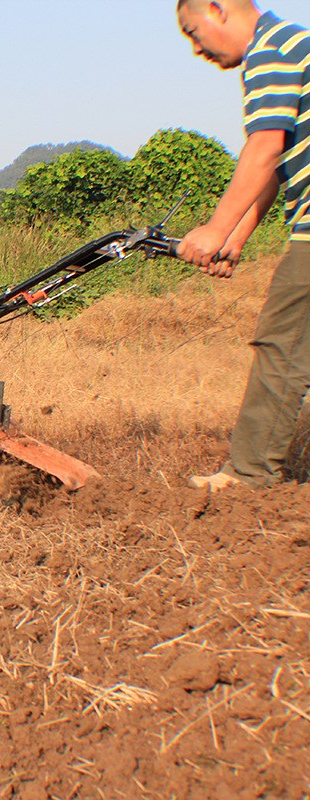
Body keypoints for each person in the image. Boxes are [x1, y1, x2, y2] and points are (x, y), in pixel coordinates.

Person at [175, 0, 310, 490]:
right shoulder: (294, 42)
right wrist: (237, 235)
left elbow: (265, 146)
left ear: (217, 8)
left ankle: (250, 474)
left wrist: (214, 226)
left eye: (194, 32)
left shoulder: (271, 51)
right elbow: (277, 166)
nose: (196, 49)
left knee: (283, 344)